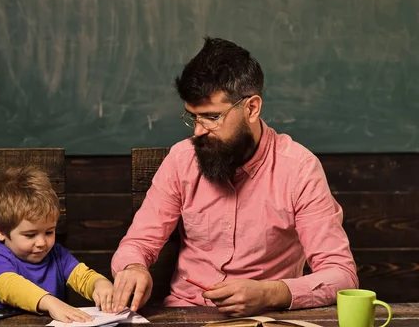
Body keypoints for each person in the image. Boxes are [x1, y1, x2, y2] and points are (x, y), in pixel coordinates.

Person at [110, 37, 358, 317]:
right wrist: (133, 267)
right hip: (186, 314)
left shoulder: (299, 168)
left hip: (266, 317)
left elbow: (341, 275)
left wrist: (269, 293)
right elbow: (138, 243)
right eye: (193, 117)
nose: (198, 132)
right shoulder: (182, 159)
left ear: (251, 108)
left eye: (212, 117)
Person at [0, 166, 114, 322]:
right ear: (0, 231)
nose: (42, 243)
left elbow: (82, 277)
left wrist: (99, 284)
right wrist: (50, 303)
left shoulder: (57, 254)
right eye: (30, 235)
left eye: (49, 232)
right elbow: (10, 287)